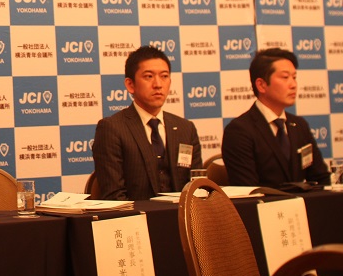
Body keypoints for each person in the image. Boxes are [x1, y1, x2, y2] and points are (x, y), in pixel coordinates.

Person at [92, 45, 202, 200]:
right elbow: (114, 196)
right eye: (149, 76)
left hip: (181, 214)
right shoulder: (112, 128)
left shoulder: (186, 128)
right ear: (130, 85)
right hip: (136, 214)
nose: (158, 84)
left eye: (164, 76)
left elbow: (196, 188)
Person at [222, 48, 330, 188]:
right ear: (261, 85)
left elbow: (321, 178)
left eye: (294, 77)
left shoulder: (299, 125)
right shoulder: (239, 131)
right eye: (285, 77)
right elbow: (248, 191)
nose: (293, 85)